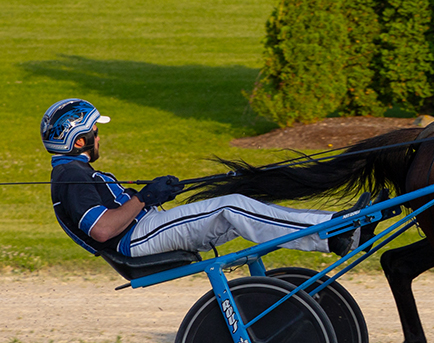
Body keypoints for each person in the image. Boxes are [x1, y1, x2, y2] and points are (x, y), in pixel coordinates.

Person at [42, 98, 372, 260]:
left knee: (243, 216)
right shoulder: (71, 175)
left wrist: (152, 195)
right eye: (95, 132)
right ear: (79, 140)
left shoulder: (75, 172)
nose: (100, 138)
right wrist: (144, 198)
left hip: (144, 229)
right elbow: (101, 229)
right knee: (232, 207)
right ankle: (336, 233)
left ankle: (337, 231)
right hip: (136, 240)